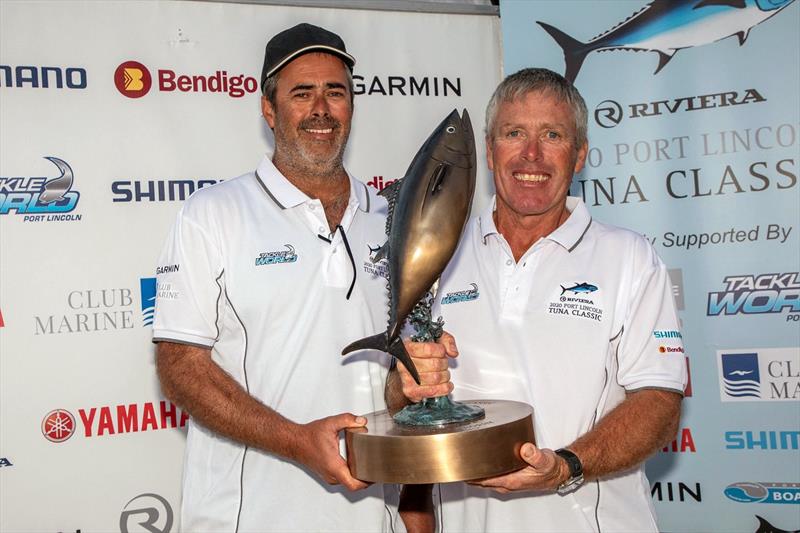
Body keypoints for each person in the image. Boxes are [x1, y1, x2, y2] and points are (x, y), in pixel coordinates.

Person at [389, 68, 687, 532]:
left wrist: (565, 465)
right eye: (513, 134)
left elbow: (660, 402)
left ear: (580, 154)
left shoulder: (629, 257)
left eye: (552, 134)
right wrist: (407, 384)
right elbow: (401, 401)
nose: (532, 154)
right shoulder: (437, 257)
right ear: (488, 151)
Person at [153, 23, 395, 532]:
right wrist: (296, 439)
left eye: (336, 92)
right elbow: (180, 369)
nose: (321, 109)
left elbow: (396, 378)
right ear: (269, 110)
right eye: (301, 93)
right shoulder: (212, 213)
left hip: (376, 514)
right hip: (250, 516)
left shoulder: (389, 216)